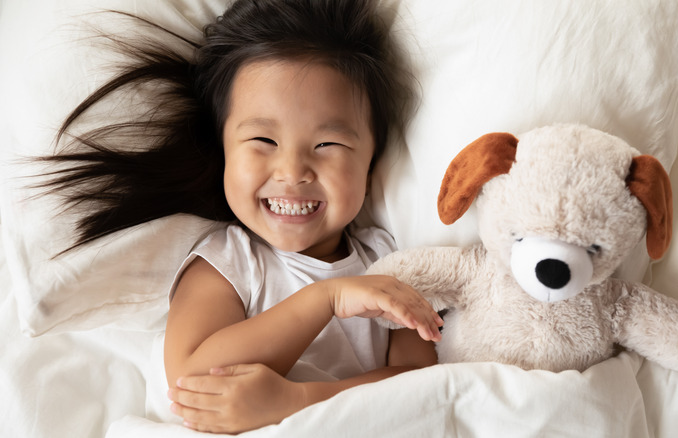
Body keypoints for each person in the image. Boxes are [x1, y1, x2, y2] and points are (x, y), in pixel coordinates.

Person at [40, 0, 442, 434]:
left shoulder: (387, 264)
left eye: (328, 145)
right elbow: (191, 380)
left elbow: (422, 384)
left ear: (371, 160)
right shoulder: (227, 263)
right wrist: (325, 300)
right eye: (263, 139)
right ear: (224, 151)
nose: (292, 172)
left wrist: (298, 401)